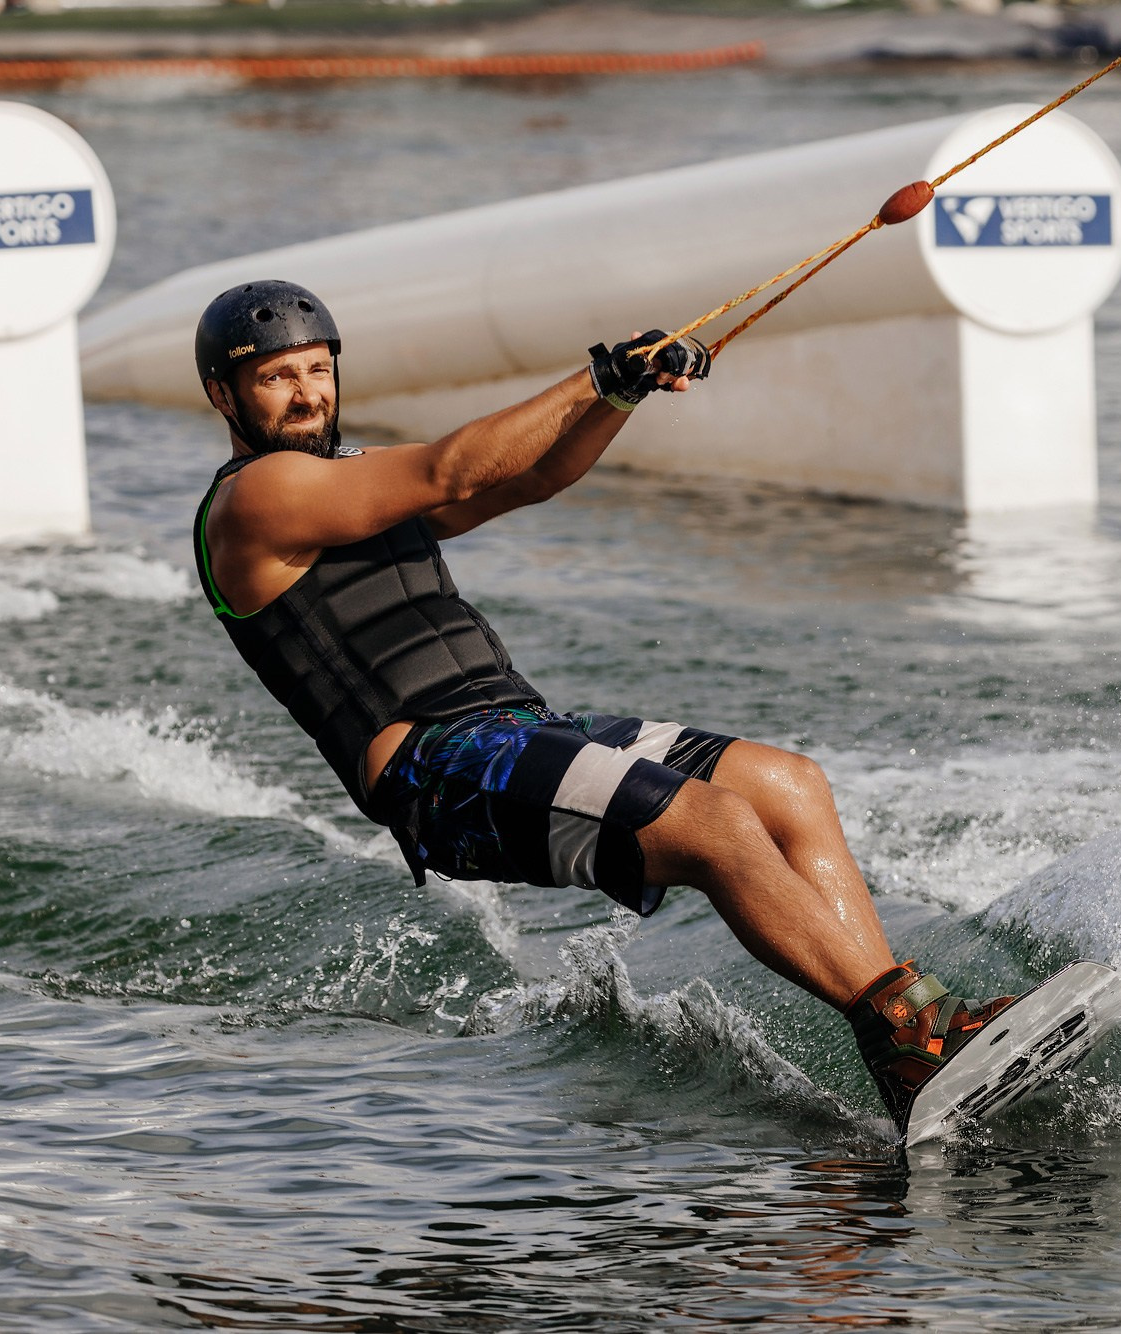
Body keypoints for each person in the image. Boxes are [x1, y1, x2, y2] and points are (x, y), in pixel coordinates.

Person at [190, 279, 1013, 1127]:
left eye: (317, 370)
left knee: (789, 785)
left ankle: (911, 1049)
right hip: (436, 768)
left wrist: (622, 394)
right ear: (224, 394)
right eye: (275, 377)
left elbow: (530, 478)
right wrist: (597, 373)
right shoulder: (256, 499)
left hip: (513, 729)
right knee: (715, 825)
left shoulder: (351, 477)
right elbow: (451, 467)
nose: (306, 393)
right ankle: (908, 1032)